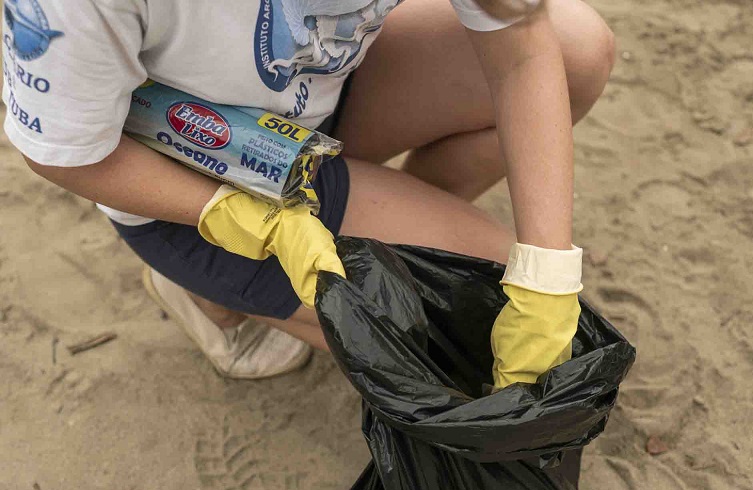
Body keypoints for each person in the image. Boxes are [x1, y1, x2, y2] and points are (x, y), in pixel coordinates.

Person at [2, 0, 614, 385]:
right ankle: (212, 292)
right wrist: (233, 214)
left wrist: (545, 271)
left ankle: (385, 226)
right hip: (197, 176)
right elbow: (66, 152)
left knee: (576, 51)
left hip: (327, 92)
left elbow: (521, 50)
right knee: (467, 329)